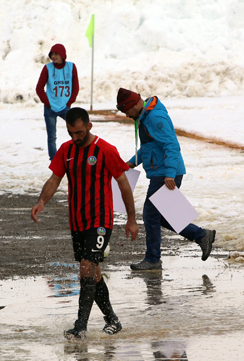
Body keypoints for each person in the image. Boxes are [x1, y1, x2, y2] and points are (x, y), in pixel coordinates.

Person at [31, 107, 138, 340]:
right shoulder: (66, 150)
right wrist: (41, 201)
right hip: (77, 222)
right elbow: (54, 179)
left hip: (100, 221)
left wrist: (131, 219)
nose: (75, 138)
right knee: (94, 273)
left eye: (79, 132)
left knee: (86, 269)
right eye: (71, 133)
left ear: (89, 126)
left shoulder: (106, 150)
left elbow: (123, 183)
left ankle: (80, 326)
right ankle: (113, 320)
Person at [115, 88, 216, 271]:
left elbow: (171, 145)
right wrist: (130, 163)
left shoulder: (154, 118)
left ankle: (153, 259)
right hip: (161, 171)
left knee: (150, 214)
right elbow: (149, 147)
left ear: (134, 105)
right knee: (160, 216)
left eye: (127, 111)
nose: (128, 115)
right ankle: (201, 235)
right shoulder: (144, 117)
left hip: (166, 174)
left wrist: (170, 173)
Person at [36, 43, 80, 160]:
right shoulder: (47, 68)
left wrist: (69, 102)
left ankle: (77, 154)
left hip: (65, 107)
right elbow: (39, 88)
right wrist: (48, 103)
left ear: (62, 55)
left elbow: (75, 87)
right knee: (52, 137)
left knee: (76, 130)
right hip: (50, 108)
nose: (54, 56)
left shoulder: (71, 67)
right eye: (52, 54)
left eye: (56, 54)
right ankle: (54, 160)